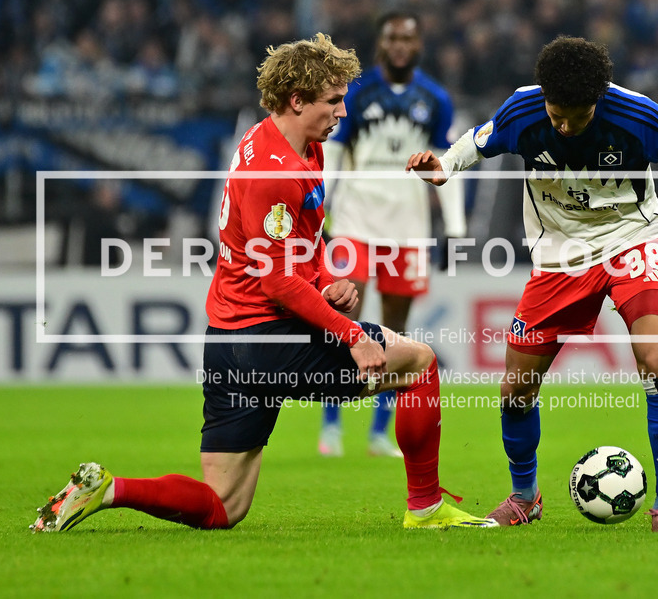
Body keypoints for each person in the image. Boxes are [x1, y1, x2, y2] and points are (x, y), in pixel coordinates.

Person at [31, 33, 496, 532]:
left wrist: (326, 276)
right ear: (297, 100)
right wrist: (353, 334)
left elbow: (299, 238)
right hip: (269, 336)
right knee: (420, 363)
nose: (343, 111)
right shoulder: (274, 173)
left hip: (229, 340)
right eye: (333, 101)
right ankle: (425, 510)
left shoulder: (284, 142)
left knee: (223, 507)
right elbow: (276, 282)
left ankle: (108, 488)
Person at [406, 36, 658, 532]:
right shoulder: (523, 111)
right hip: (560, 256)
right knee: (515, 390)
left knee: (654, 359)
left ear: (598, 99)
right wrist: (444, 167)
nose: (563, 124)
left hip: (633, 239)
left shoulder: (637, 117)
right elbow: (477, 141)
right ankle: (525, 497)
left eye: (576, 115)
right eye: (555, 113)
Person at [319, 10, 466, 458]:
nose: (400, 45)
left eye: (408, 37)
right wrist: (318, 208)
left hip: (408, 229)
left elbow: (447, 163)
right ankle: (331, 426)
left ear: (419, 45)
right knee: (345, 322)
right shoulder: (357, 93)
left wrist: (455, 227)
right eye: (392, 38)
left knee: (396, 331)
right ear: (380, 45)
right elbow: (334, 152)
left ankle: (380, 432)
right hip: (356, 221)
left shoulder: (436, 99)